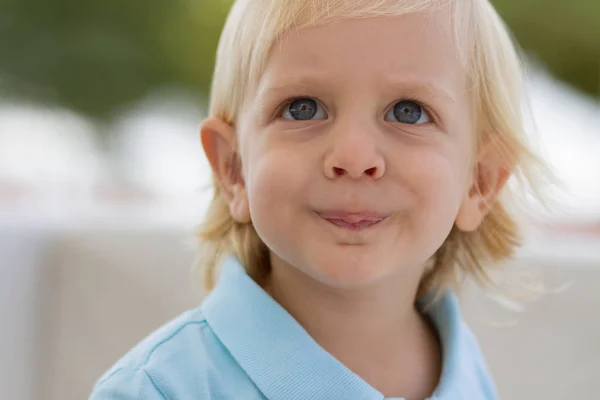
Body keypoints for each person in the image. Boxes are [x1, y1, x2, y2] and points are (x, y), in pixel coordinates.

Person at [90, 0, 548, 399]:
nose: (352, 156)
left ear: (480, 183)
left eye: (408, 112)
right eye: (302, 107)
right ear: (233, 169)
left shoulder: (463, 368)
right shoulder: (158, 390)